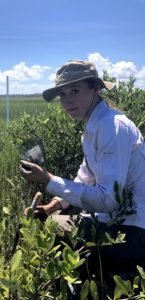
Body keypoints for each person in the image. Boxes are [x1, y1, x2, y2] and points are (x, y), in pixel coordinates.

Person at [20, 60, 145, 274]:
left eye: (75, 91)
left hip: (132, 232)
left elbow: (108, 200)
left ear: (96, 89)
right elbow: (85, 178)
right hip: (113, 223)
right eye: (62, 94)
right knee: (50, 220)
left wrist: (48, 180)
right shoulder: (95, 125)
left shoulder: (111, 127)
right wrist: (54, 205)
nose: (68, 101)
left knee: (50, 231)